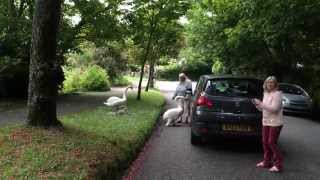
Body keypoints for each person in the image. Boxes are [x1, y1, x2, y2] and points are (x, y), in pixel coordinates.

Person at [253, 76, 284, 172]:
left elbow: (275, 109)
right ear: (265, 84)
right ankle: (267, 162)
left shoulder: (278, 94)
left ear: (275, 84)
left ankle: (278, 165)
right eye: (268, 82)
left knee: (271, 143)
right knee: (265, 142)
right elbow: (264, 108)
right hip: (266, 121)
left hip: (275, 122)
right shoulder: (266, 93)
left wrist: (261, 104)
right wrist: (257, 105)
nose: (270, 84)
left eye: (272, 82)